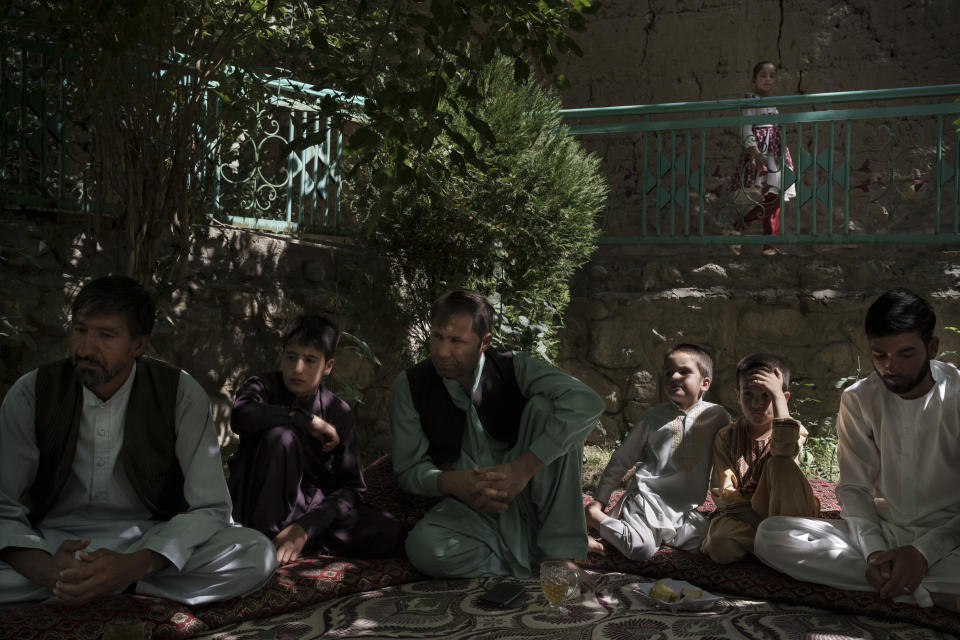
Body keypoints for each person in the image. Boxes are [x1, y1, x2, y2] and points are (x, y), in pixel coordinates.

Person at [0, 276, 276, 606]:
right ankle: (90, 586)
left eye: (106, 335)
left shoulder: (179, 394)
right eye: (80, 329)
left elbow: (210, 506)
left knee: (256, 554)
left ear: (139, 346)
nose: (85, 348)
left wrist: (131, 566)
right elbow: (3, 504)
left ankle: (103, 586)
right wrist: (46, 571)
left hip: (147, 542)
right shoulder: (33, 391)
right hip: (53, 546)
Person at [755, 289, 960, 611]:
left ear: (932, 348)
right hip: (885, 529)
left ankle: (898, 582)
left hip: (951, 538)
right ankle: (920, 589)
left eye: (906, 354)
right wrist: (874, 553)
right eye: (881, 355)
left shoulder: (957, 395)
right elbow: (853, 488)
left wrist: (923, 552)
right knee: (771, 534)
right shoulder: (859, 398)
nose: (892, 366)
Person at [390, 289, 605, 579]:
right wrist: (453, 482)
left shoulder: (513, 366)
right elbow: (408, 470)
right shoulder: (411, 386)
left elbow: (588, 402)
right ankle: (539, 557)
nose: (442, 352)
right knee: (424, 549)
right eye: (437, 337)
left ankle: (560, 552)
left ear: (484, 342)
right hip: (473, 508)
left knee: (547, 410)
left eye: (456, 341)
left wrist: (522, 469)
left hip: (535, 497)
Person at [227, 315, 406, 564]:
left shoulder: (337, 411)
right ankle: (265, 541)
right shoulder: (262, 387)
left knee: (388, 531)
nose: (297, 368)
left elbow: (352, 487)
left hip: (304, 505)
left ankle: (296, 540)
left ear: (328, 366)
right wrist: (303, 420)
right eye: (291, 357)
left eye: (310, 360)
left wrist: (305, 527)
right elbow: (240, 417)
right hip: (258, 503)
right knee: (282, 437)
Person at [585, 344, 730, 560]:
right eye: (668, 372)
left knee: (715, 543)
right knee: (640, 549)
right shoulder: (652, 417)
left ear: (705, 383)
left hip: (684, 511)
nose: (674, 376)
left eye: (684, 371)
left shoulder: (718, 417)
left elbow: (731, 452)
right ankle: (594, 518)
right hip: (646, 502)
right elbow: (621, 461)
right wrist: (600, 501)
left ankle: (659, 535)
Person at [700, 352, 820, 564]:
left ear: (784, 398)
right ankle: (778, 545)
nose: (756, 403)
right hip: (750, 517)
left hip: (787, 514)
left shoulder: (795, 430)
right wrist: (762, 525)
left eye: (766, 395)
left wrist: (778, 398)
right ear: (738, 395)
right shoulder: (726, 436)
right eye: (748, 394)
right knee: (720, 542)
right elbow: (724, 493)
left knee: (780, 462)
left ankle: (775, 543)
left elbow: (784, 449)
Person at [728, 61, 797, 256]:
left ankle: (769, 246)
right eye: (763, 75)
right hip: (761, 153)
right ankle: (739, 228)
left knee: (774, 197)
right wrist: (756, 154)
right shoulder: (750, 100)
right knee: (772, 199)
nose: (768, 79)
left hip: (775, 154)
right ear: (754, 80)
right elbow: (746, 129)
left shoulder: (774, 104)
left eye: (772, 76)